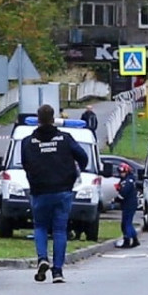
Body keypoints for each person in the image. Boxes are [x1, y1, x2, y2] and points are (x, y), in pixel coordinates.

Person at [21, 104, 88, 283]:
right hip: (62, 190)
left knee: (40, 226)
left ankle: (42, 258)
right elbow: (83, 157)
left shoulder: (27, 142)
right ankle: (57, 271)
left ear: (38, 119)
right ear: (53, 119)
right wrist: (74, 174)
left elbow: (25, 163)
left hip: (39, 191)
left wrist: (34, 179)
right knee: (59, 230)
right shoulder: (65, 139)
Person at [115, 163, 140, 248]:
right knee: (127, 223)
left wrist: (117, 199)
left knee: (126, 223)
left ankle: (127, 240)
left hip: (129, 204)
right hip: (128, 203)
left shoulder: (128, 181)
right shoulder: (126, 180)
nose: (121, 174)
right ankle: (135, 239)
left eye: (123, 172)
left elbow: (124, 193)